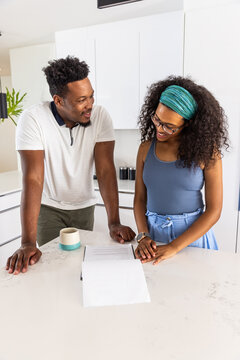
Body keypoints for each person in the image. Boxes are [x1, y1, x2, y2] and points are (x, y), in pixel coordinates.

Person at [6, 56, 135, 275]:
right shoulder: (33, 119)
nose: (90, 105)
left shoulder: (100, 116)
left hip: (84, 208)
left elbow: (104, 171)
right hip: (48, 209)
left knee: (80, 268)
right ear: (58, 100)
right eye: (81, 100)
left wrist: (114, 222)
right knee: (51, 270)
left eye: (91, 96)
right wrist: (28, 242)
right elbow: (33, 179)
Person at [134, 76, 229, 265]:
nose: (159, 129)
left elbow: (214, 210)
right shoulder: (145, 149)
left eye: (169, 126)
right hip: (154, 237)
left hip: (192, 238)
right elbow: (140, 199)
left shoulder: (208, 153)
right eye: (157, 120)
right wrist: (143, 235)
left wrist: (175, 246)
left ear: (188, 124)